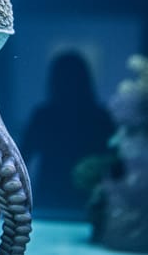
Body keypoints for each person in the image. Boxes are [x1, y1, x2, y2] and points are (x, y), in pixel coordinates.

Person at [21, 50, 115, 218]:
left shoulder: (43, 115)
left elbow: (21, 158)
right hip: (86, 201)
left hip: (50, 199)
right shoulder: (100, 116)